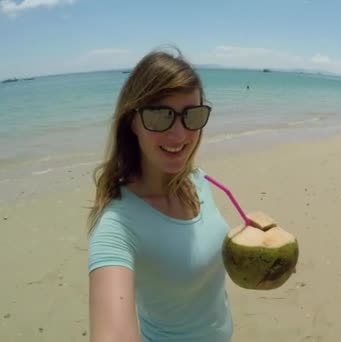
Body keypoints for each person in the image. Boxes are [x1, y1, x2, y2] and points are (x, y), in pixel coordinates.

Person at [86, 48, 234, 342]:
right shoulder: (117, 226)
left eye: (192, 116)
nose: (179, 136)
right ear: (133, 121)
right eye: (159, 116)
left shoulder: (198, 180)